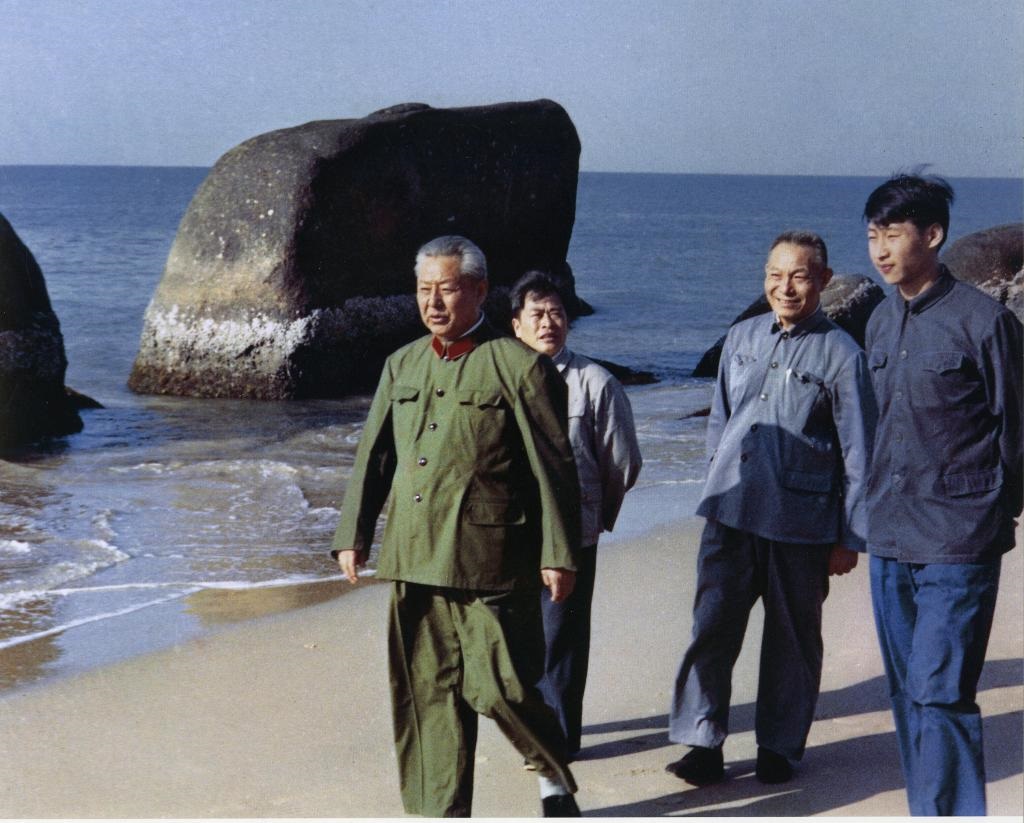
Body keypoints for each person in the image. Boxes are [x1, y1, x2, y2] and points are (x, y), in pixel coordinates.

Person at [331, 236, 583, 817]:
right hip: (414, 553)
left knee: (500, 688)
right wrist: (354, 534)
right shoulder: (402, 364)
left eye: (446, 289)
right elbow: (375, 456)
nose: (433, 302)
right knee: (426, 696)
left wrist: (559, 553)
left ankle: (549, 768)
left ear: (479, 290)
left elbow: (554, 468)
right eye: (424, 290)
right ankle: (437, 812)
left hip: (491, 559)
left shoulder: (521, 367)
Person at [665, 231, 876, 786]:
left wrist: (850, 537)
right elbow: (720, 421)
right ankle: (701, 743)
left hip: (801, 525)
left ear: (823, 281)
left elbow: (860, 451)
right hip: (730, 512)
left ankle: (778, 747)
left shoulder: (843, 354)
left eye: (799, 276)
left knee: (792, 640)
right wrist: (714, 484)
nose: (785, 287)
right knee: (711, 630)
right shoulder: (740, 337)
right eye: (775, 275)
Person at [862, 174, 1022, 816]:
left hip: (959, 540)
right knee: (908, 693)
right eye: (872, 235)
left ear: (932, 235)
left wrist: (992, 515)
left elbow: (1017, 431)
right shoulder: (878, 320)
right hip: (888, 536)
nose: (880, 250)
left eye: (893, 234)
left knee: (941, 690)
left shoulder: (986, 322)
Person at [510, 271, 643, 758]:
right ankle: (530, 727)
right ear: (517, 326)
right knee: (518, 637)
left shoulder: (595, 382)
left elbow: (623, 463)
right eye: (537, 314)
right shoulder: (503, 381)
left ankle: (560, 740)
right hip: (512, 532)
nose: (548, 323)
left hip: (570, 534)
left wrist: (592, 517)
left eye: (557, 313)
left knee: (561, 638)